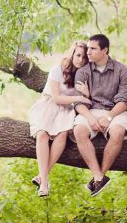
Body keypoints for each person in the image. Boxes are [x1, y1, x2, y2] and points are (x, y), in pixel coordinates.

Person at [71, 34, 127, 196]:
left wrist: (109, 117)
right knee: (79, 131)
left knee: (118, 131)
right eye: (88, 48)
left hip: (114, 111)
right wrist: (91, 119)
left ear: (104, 50)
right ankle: (98, 176)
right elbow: (79, 103)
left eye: (93, 49)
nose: (88, 52)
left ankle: (99, 176)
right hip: (90, 110)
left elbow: (124, 102)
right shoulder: (83, 72)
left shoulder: (122, 70)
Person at [28, 41, 92, 197]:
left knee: (62, 134)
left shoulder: (83, 75)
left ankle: (42, 179)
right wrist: (80, 97)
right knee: (42, 134)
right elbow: (56, 98)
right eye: (78, 55)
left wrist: (86, 94)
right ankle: (44, 182)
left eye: (84, 57)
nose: (80, 60)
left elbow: (88, 100)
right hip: (48, 104)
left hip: (66, 110)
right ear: (71, 54)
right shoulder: (58, 69)